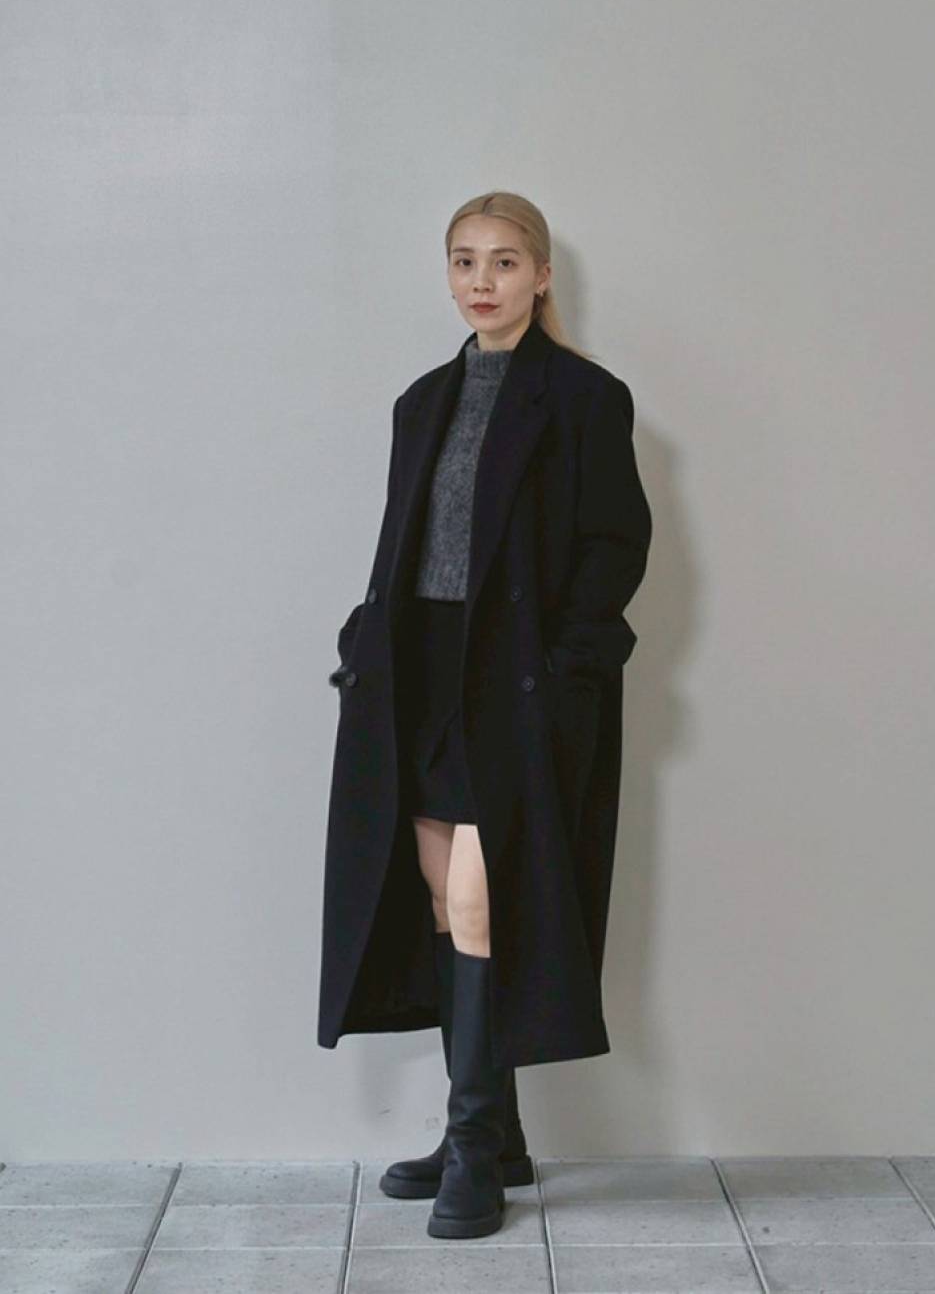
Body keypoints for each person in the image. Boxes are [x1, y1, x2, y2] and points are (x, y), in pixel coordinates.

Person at [319, 191, 653, 1240]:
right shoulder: (422, 399)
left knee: (477, 901)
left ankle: (471, 1143)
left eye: (505, 261)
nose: (481, 281)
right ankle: (495, 1133)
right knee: (439, 900)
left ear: (541, 276)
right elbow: (404, 540)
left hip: (511, 680)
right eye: (464, 260)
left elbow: (614, 545)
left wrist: (565, 666)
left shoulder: (585, 398)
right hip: (418, 673)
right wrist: (364, 641)